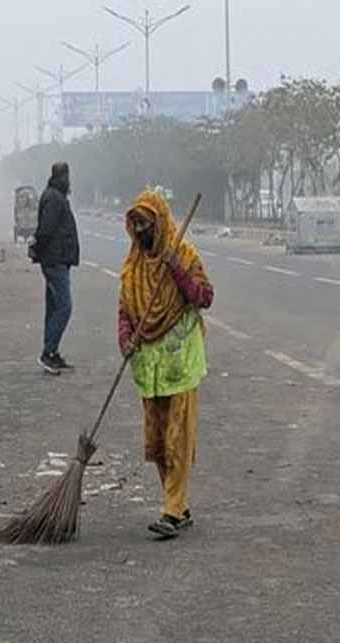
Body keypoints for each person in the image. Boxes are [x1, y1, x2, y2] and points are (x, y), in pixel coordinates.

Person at [117, 189, 214, 539]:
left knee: (177, 437)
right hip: (149, 367)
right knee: (157, 442)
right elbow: (124, 309)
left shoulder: (184, 254)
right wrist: (126, 338)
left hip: (180, 362)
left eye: (145, 224)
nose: (140, 231)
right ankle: (179, 505)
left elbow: (205, 297)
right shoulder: (133, 266)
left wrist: (175, 268)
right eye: (135, 225)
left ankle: (171, 511)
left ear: (159, 224)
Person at [31, 162, 80, 375]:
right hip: (54, 261)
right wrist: (39, 251)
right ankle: (47, 353)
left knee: (53, 307)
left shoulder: (55, 196)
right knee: (64, 307)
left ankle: (52, 352)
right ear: (62, 177)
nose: (68, 181)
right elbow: (45, 230)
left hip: (56, 259)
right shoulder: (54, 198)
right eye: (66, 176)